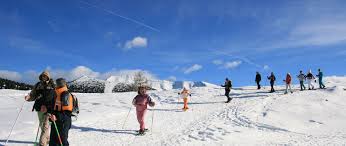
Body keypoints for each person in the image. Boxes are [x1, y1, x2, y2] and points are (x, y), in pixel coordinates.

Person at [25, 71, 55, 146]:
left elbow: (55, 97)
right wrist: (28, 97)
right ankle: (47, 139)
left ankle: (42, 143)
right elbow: (33, 95)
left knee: (45, 126)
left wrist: (50, 107)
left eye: (45, 76)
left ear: (48, 77)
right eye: (42, 76)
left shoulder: (53, 85)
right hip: (39, 108)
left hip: (48, 109)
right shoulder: (38, 85)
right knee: (42, 126)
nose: (43, 77)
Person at [48, 78, 73, 146]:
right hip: (56, 120)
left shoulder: (65, 94)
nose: (57, 84)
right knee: (53, 140)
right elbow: (54, 106)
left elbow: (67, 111)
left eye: (59, 83)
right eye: (57, 83)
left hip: (63, 121)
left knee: (62, 140)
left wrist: (56, 116)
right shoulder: (56, 93)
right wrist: (49, 112)